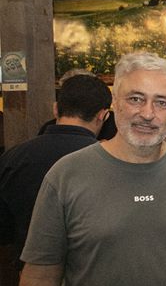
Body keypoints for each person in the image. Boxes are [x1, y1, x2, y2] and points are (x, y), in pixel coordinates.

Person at [15, 52, 166, 286]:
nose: (147, 113)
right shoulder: (66, 175)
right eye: (135, 99)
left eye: (161, 102)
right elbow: (40, 277)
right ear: (114, 102)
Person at [0, 75, 111, 267]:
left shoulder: (14, 157)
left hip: (29, 271)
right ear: (103, 115)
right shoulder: (110, 161)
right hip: (90, 273)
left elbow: (4, 229)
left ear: (55, 109)